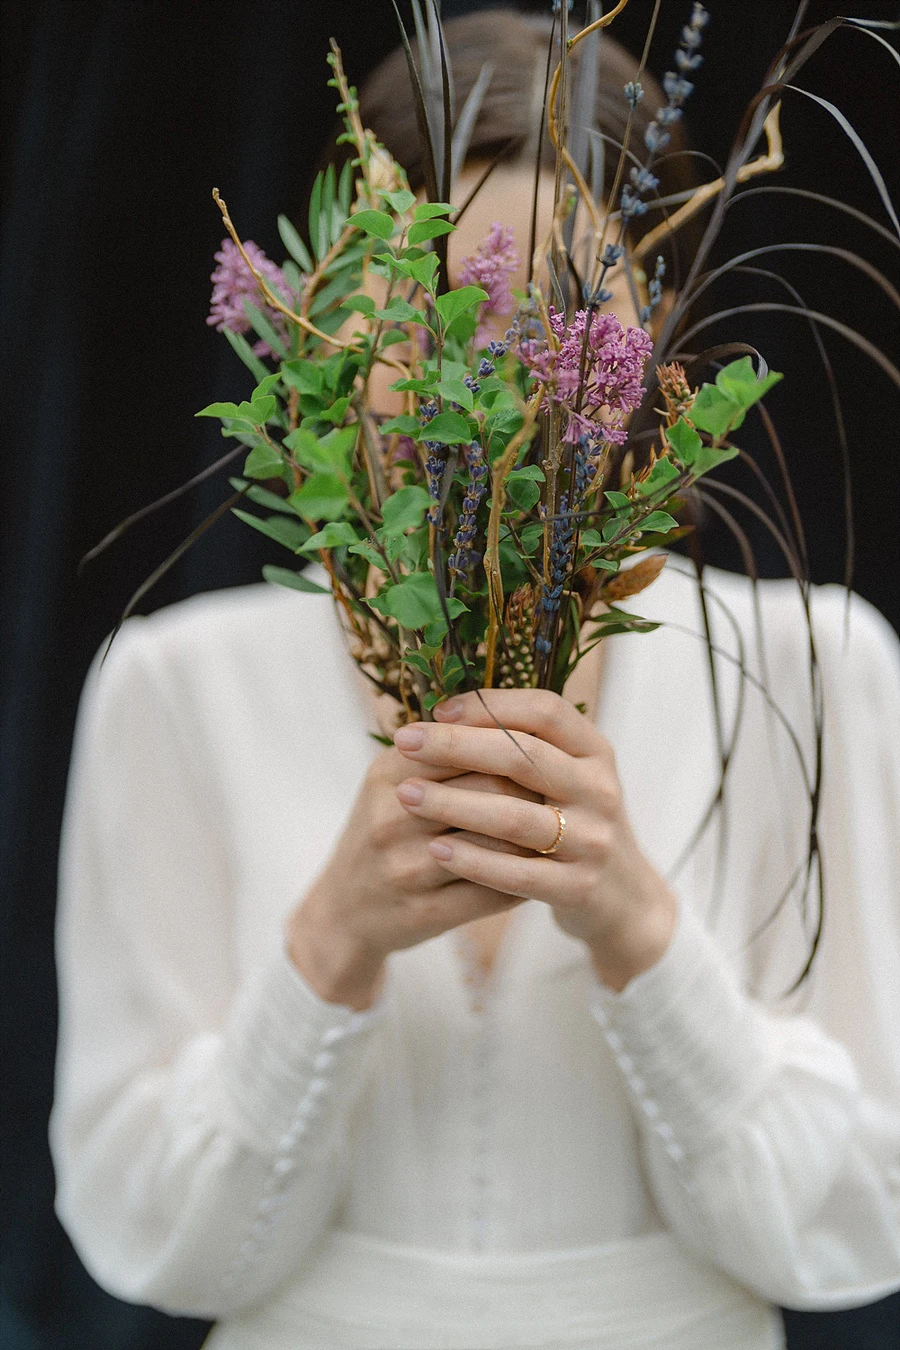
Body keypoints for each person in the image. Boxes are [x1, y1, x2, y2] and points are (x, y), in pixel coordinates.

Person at [49, 11, 900, 1349]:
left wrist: (634, 921)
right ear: (336, 320)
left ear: (653, 327)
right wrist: (332, 937)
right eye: (439, 301)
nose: (495, 370)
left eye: (563, 307)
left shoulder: (820, 670)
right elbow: (140, 1230)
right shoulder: (172, 688)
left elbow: (858, 1222)